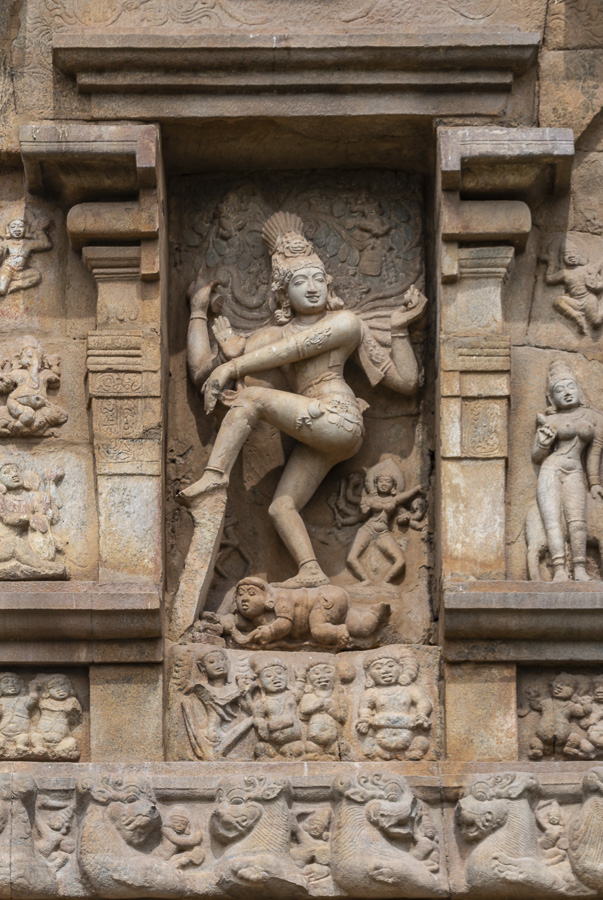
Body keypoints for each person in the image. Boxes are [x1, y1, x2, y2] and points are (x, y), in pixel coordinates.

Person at [180, 211, 426, 588]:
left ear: (329, 284)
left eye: (318, 279)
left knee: (255, 400)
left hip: (338, 417)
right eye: (299, 281)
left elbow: (406, 381)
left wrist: (399, 332)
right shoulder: (268, 339)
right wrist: (198, 313)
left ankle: (213, 480)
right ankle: (311, 570)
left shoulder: (345, 324)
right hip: (317, 435)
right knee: (282, 506)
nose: (312, 288)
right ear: (282, 293)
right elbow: (202, 373)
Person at [532, 359, 603, 582]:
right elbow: (536, 456)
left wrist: (594, 482)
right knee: (552, 519)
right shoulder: (550, 420)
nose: (567, 393)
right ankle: (560, 568)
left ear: (579, 389)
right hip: (551, 469)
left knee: (577, 520)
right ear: (552, 398)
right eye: (559, 390)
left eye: (571, 386)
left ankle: (580, 567)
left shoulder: (593, 418)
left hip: (574, 470)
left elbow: (595, 452)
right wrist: (544, 443)